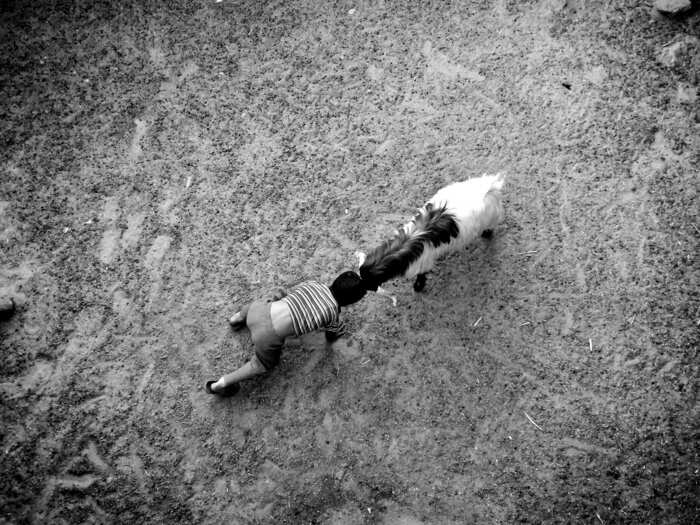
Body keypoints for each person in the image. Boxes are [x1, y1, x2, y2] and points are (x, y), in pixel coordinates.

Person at [205, 271, 368, 396]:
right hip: (266, 337)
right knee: (262, 364)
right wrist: (336, 332)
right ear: (350, 302)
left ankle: (237, 318)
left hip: (258, 311)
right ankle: (220, 384)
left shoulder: (313, 284)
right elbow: (331, 335)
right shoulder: (332, 314)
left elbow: (288, 292)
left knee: (260, 304)